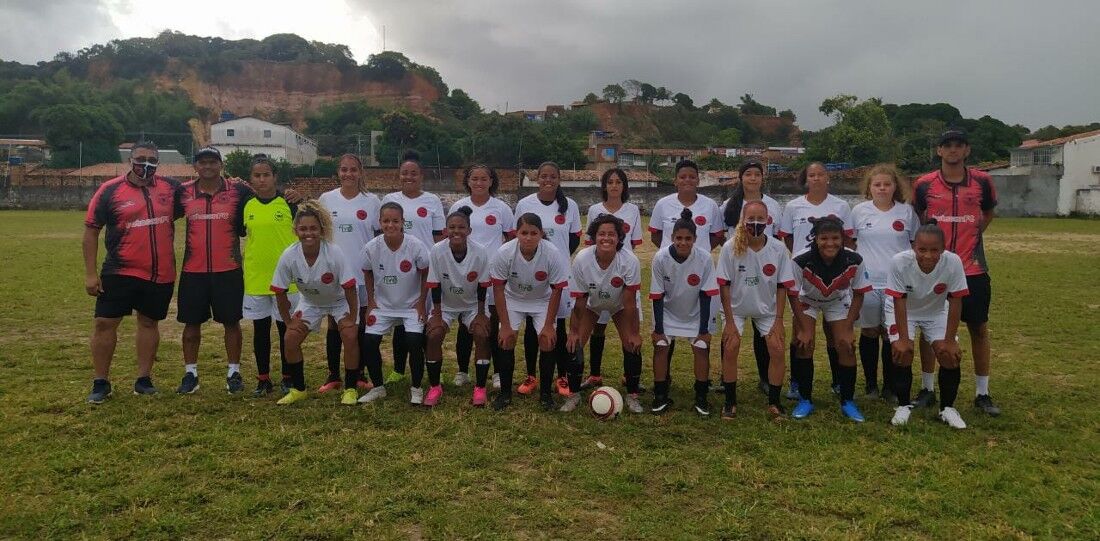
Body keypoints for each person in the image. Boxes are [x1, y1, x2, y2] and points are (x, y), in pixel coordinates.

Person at [912, 128, 1001, 417]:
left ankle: (983, 393)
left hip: (972, 267)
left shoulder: (983, 181)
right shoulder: (924, 184)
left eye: (958, 145)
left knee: (978, 328)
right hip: (933, 270)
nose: (952, 150)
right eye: (946, 145)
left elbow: (987, 213)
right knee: (928, 328)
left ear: (967, 150)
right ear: (938, 150)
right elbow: (919, 217)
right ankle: (927, 388)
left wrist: (972, 238)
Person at [83, 141, 181, 403]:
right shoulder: (109, 191)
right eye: (141, 158)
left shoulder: (171, 189)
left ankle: (144, 379)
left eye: (152, 159)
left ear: (158, 163)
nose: (146, 164)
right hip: (119, 270)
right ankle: (101, 382)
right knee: (105, 323)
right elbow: (92, 230)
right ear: (130, 159)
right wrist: (91, 273)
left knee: (149, 322)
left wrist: (234, 181)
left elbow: (203, 192)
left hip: (159, 272)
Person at [175, 146, 254, 395]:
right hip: (193, 270)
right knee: (191, 324)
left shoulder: (238, 190)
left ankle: (233, 372)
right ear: (195, 166)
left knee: (231, 322)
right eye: (202, 162)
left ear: (221, 165)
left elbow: (265, 197)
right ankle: (191, 373)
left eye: (212, 162)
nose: (207, 167)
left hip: (228, 269)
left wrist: (290, 196)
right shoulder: (183, 192)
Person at [270, 201, 360, 406]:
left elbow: (349, 287)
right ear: (295, 231)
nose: (308, 233)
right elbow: (279, 291)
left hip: (338, 301)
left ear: (321, 230)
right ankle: (298, 389)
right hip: (310, 302)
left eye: (313, 228)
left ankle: (351, 388)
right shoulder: (289, 255)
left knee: (350, 334)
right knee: (290, 339)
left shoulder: (334, 252)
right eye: (303, 229)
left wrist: (352, 318)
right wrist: (288, 321)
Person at [779, 161, 855, 399]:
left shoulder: (841, 206)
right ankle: (796, 383)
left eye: (820, 174)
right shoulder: (793, 206)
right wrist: (805, 259)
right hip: (806, 275)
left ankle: (838, 381)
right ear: (806, 179)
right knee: (800, 332)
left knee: (835, 332)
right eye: (811, 175)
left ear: (827, 178)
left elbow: (848, 240)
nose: (816, 178)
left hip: (833, 273)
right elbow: (789, 239)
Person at [885, 222, 970, 429]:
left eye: (934, 250)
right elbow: (899, 300)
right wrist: (904, 339)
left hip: (936, 311)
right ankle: (904, 405)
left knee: (949, 354)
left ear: (943, 248)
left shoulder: (953, 262)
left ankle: (947, 409)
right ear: (914, 247)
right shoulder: (900, 262)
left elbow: (956, 300)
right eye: (922, 249)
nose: (928, 255)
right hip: (904, 310)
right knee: (903, 350)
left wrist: (950, 340)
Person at [717, 200, 796, 420]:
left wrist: (779, 319)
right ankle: (730, 402)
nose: (755, 223)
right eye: (750, 218)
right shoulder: (730, 247)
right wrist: (730, 322)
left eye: (760, 219)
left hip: (768, 310)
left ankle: (774, 402)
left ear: (768, 220)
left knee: (777, 348)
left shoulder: (778, 248)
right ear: (742, 220)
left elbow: (782, 286)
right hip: (736, 309)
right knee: (731, 347)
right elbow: (724, 286)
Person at [789, 216, 872, 422]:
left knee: (845, 344)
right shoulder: (801, 259)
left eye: (835, 238)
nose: (830, 243)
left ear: (843, 239)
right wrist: (804, 328)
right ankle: (805, 399)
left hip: (837, 299)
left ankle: (847, 400)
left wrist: (848, 327)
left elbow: (859, 293)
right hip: (807, 299)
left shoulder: (854, 259)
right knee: (804, 343)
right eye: (824, 238)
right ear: (815, 239)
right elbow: (792, 294)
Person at [850, 164, 919, 401]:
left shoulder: (906, 212)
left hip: (896, 284)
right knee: (869, 332)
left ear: (895, 187)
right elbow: (850, 243)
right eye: (877, 184)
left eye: (886, 184)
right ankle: (871, 386)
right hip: (867, 282)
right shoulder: (859, 211)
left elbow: (915, 246)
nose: (882, 188)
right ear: (869, 188)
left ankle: (890, 386)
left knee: (891, 334)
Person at [513, 162, 581, 397]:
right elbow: (520, 236)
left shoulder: (569, 205)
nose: (548, 180)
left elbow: (573, 240)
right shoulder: (524, 204)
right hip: (531, 273)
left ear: (559, 179)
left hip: (559, 274)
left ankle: (561, 376)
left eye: (552, 176)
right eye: (543, 176)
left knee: (557, 326)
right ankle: (531, 375)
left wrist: (557, 258)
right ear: (537, 178)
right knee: (533, 326)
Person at [489, 213, 569, 411]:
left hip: (542, 301)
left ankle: (545, 395)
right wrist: (505, 326)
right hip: (513, 299)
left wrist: (550, 325)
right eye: (524, 232)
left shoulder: (552, 253)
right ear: (516, 233)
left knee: (547, 340)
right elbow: (498, 289)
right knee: (507, 340)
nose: (528, 237)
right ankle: (505, 394)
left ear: (541, 234)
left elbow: (557, 289)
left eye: (533, 233)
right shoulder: (504, 252)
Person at [566, 214, 644, 413]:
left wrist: (634, 333)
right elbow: (580, 301)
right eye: (601, 234)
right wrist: (574, 331)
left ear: (619, 238)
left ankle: (633, 395)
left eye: (612, 234)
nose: (606, 238)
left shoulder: (629, 261)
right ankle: (573, 395)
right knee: (574, 344)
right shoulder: (582, 259)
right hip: (592, 303)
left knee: (632, 344)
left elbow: (629, 304)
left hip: (619, 304)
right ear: (594, 236)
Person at [719, 160, 784, 397]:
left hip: (762, 270)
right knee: (731, 330)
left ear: (762, 178)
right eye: (748, 174)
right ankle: (724, 379)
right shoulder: (729, 205)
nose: (753, 178)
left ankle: (765, 378)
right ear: (741, 177)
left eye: (758, 174)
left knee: (763, 332)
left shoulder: (774, 205)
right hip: (737, 270)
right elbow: (722, 236)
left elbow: (775, 239)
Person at [317, 154, 381, 394]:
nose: (348, 174)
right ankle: (333, 375)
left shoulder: (372, 201)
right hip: (335, 274)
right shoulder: (326, 199)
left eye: (353, 170)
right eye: (344, 169)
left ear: (361, 172)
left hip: (362, 274)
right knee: (334, 324)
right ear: (338, 172)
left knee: (361, 324)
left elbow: (377, 238)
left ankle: (359, 373)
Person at [448, 165, 515, 389]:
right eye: (474, 178)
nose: (478, 182)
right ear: (468, 181)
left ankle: (496, 372)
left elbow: (511, 239)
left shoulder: (501, 208)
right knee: (466, 324)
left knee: (493, 323)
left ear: (491, 181)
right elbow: (452, 237)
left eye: (483, 178)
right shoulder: (459, 206)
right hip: (465, 274)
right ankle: (462, 370)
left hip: (494, 274)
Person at [357, 202, 431, 405]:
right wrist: (371, 301)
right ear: (380, 223)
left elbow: (426, 273)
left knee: (415, 342)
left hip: (411, 306)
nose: (391, 225)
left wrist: (422, 302)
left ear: (402, 223)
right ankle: (378, 387)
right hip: (382, 306)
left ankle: (416, 387)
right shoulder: (371, 247)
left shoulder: (415, 245)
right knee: (369, 342)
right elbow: (367, 272)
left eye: (395, 221)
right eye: (386, 221)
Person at [382, 150, 445, 384]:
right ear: (399, 176)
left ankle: (426, 369)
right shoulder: (390, 200)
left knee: (423, 322)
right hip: (398, 271)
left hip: (425, 271)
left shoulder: (432, 201)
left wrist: (437, 267)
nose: (409, 177)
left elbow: (439, 237)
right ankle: (398, 369)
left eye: (414, 173)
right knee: (400, 322)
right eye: (405, 173)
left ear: (421, 176)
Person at [649, 209, 720, 416]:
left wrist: (704, 329)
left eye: (688, 239)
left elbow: (707, 295)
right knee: (661, 346)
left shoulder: (704, 258)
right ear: (671, 238)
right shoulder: (660, 258)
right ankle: (660, 395)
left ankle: (701, 397)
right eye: (678, 238)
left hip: (697, 312)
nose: (683, 243)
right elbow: (657, 295)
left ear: (695, 239)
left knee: (701, 347)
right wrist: (659, 329)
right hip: (668, 311)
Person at [239, 155, 299, 397]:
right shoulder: (246, 204)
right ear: (251, 179)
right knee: (260, 330)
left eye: (266, 175)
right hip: (256, 278)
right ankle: (263, 379)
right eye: (257, 175)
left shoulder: (290, 203)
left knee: (286, 329)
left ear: (275, 177)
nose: (262, 179)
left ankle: (288, 376)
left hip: (286, 280)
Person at [579, 168, 643, 391]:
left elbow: (634, 244)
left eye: (619, 182)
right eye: (610, 182)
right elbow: (590, 244)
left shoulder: (633, 210)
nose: (614, 186)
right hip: (600, 273)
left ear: (624, 186)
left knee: (629, 327)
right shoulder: (595, 209)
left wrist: (625, 267)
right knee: (598, 326)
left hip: (624, 273)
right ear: (604, 186)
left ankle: (630, 376)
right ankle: (594, 374)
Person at [424, 207, 493, 406]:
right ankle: (435, 386)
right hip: (446, 305)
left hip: (472, 305)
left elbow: (482, 286)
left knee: (482, 333)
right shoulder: (437, 250)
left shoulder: (479, 251)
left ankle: (480, 388)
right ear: (445, 230)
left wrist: (480, 314)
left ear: (469, 231)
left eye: (461, 227)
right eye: (452, 227)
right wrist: (436, 314)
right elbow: (434, 285)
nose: (456, 231)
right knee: (434, 334)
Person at [650, 159, 724, 252]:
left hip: (699, 263)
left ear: (698, 181)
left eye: (692, 177)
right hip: (670, 263)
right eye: (682, 177)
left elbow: (716, 237)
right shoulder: (662, 204)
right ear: (675, 181)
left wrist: (700, 253)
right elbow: (655, 236)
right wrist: (674, 253)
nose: (687, 180)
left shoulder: (711, 205)